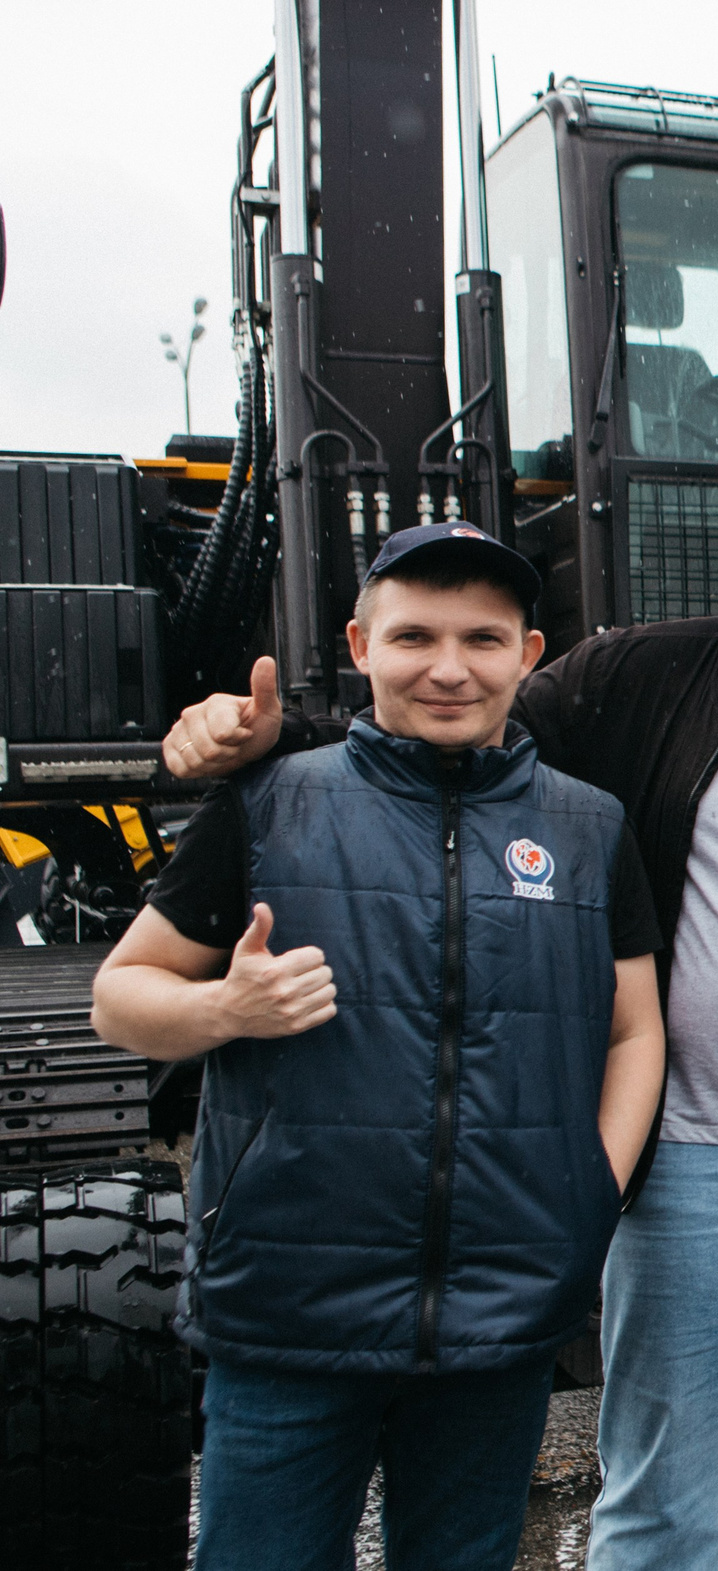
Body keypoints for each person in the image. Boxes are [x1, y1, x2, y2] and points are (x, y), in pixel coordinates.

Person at [157, 438, 718, 1571]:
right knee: (661, 1506)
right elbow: (445, 733)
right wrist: (276, 748)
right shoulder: (631, 679)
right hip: (693, 1167)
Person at [96, 524, 666, 1571]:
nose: (449, 669)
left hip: (501, 1312)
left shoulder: (588, 828)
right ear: (360, 644)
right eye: (414, 638)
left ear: (528, 655)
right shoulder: (270, 805)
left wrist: (594, 1187)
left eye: (482, 641)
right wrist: (227, 1010)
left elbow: (635, 1027)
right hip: (287, 1312)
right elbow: (119, 998)